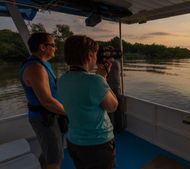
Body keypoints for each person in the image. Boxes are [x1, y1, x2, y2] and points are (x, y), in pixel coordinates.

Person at [58, 35, 118, 169]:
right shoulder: (95, 81)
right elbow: (112, 106)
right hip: (98, 145)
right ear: (90, 55)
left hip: (74, 142)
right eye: (96, 54)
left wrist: (100, 77)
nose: (97, 58)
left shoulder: (62, 80)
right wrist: (102, 78)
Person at [19, 32, 66, 169]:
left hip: (50, 116)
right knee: (54, 160)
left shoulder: (44, 64)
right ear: (42, 47)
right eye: (53, 45)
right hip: (44, 118)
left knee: (49, 153)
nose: (55, 48)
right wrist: (69, 112)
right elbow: (47, 101)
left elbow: (51, 87)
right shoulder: (35, 68)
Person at [106, 46, 125, 133]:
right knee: (115, 110)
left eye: (108, 52)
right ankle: (118, 127)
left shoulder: (111, 63)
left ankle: (116, 127)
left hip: (114, 88)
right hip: (113, 88)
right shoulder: (115, 62)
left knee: (114, 110)